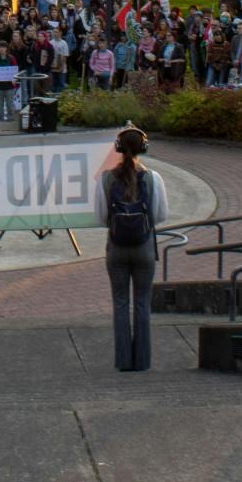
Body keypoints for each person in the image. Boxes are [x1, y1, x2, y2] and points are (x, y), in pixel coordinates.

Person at [94, 125, 168, 371]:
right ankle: (142, 361)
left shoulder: (106, 178)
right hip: (144, 246)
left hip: (116, 247)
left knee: (120, 302)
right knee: (143, 303)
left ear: (117, 148)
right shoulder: (153, 178)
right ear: (143, 149)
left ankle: (123, 361)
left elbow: (100, 216)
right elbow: (160, 215)